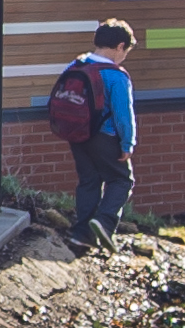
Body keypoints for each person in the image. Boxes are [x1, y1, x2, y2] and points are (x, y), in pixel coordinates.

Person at [49, 18, 141, 250]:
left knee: (89, 180)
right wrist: (128, 143)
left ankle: (81, 235)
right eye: (126, 51)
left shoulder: (77, 65)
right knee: (121, 180)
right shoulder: (116, 75)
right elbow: (123, 115)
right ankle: (104, 222)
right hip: (105, 137)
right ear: (120, 46)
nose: (124, 56)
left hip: (77, 134)